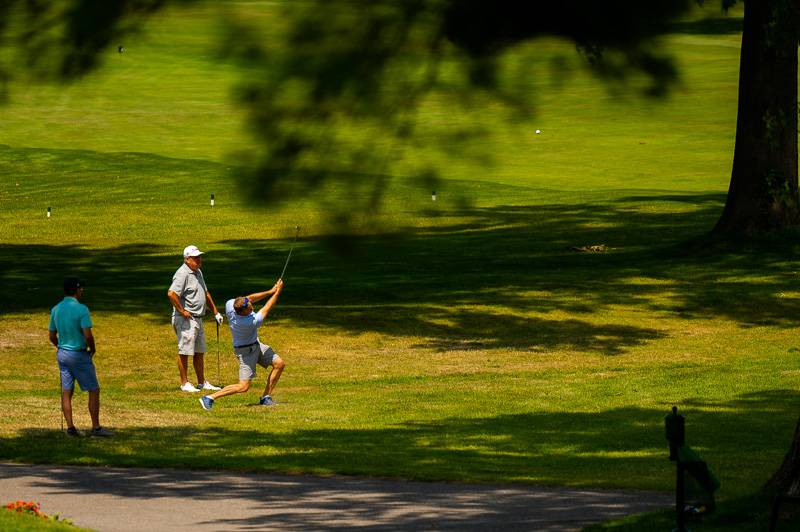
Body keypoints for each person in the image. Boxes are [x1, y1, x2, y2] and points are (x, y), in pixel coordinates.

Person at [199, 279, 286, 410]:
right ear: (242, 312)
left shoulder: (231, 304)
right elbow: (267, 308)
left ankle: (265, 397)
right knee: (243, 387)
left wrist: (270, 291)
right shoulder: (250, 322)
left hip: (256, 345)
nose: (251, 306)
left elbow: (249, 298)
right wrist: (277, 292)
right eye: (249, 307)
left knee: (279, 364)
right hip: (245, 352)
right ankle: (209, 397)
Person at [48, 277, 112, 437]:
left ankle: (70, 428)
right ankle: (96, 427)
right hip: (78, 354)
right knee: (93, 389)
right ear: (77, 290)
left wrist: (58, 345)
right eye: (81, 288)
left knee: (66, 391)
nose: (82, 290)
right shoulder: (82, 309)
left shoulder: (56, 309)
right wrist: (93, 348)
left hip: (62, 354)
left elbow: (51, 335)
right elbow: (88, 334)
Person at [167, 245, 224, 392]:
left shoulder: (198, 272)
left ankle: (201, 382)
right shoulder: (182, 274)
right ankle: (184, 383)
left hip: (198, 318)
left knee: (199, 351)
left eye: (200, 257)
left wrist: (216, 312)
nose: (199, 260)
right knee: (185, 351)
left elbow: (206, 293)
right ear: (187, 259)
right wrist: (182, 311)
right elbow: (171, 294)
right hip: (186, 319)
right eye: (195, 258)